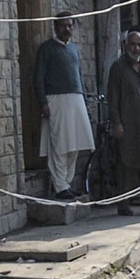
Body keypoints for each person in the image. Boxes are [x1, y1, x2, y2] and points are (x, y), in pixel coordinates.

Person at [33, 12, 92, 201]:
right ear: (56, 27)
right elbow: (38, 77)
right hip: (56, 100)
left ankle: (68, 183)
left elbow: (79, 75)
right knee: (59, 145)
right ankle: (60, 186)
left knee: (75, 144)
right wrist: (43, 102)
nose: (67, 29)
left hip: (76, 99)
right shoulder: (47, 49)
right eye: (63, 26)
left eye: (70, 26)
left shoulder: (74, 49)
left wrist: (84, 98)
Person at [105, 30, 140, 217]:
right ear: (125, 46)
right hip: (128, 125)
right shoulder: (118, 68)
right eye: (132, 44)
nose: (135, 48)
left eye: (139, 45)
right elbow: (113, 99)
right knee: (127, 165)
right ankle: (124, 204)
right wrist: (117, 123)